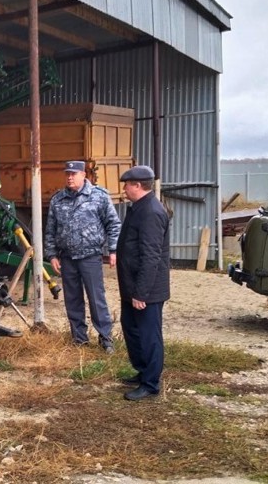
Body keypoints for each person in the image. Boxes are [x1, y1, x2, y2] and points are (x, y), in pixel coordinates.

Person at [44, 160, 121, 353]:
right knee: (73, 299)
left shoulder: (99, 196)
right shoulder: (58, 200)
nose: (70, 177)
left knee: (96, 298)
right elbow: (50, 230)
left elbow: (113, 224)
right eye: (67, 173)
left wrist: (113, 250)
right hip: (67, 258)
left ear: (83, 175)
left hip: (90, 257)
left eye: (74, 174)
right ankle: (79, 338)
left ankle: (105, 338)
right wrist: (52, 255)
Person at [116, 165, 170, 401]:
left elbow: (151, 257)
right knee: (131, 329)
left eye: (127, 185)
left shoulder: (151, 212)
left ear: (138, 185)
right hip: (133, 286)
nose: (124, 189)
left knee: (149, 335)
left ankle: (151, 383)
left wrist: (141, 293)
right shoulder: (139, 208)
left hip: (146, 290)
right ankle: (142, 371)